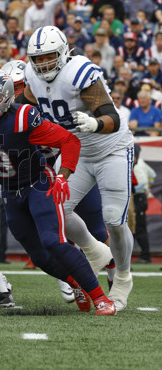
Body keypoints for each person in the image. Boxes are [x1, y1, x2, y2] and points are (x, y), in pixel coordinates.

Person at [0, 69, 117, 316]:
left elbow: (70, 141)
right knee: (38, 256)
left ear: (4, 101)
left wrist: (63, 176)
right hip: (10, 190)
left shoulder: (23, 118)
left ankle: (101, 298)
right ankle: (75, 284)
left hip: (39, 182)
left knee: (53, 241)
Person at [23, 25, 135, 311]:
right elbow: (29, 107)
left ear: (63, 53)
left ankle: (122, 277)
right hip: (77, 151)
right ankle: (94, 250)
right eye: (38, 58)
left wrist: (94, 123)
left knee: (113, 219)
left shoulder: (79, 71)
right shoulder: (30, 77)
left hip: (111, 149)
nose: (43, 64)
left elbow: (113, 118)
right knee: (57, 207)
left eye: (49, 56)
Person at [132, 144, 156, 264]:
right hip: (139, 197)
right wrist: (148, 187)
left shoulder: (136, 165)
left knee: (138, 228)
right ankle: (144, 255)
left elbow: (138, 185)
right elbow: (153, 175)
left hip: (138, 198)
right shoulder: (141, 162)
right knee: (137, 228)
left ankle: (146, 256)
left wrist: (144, 189)